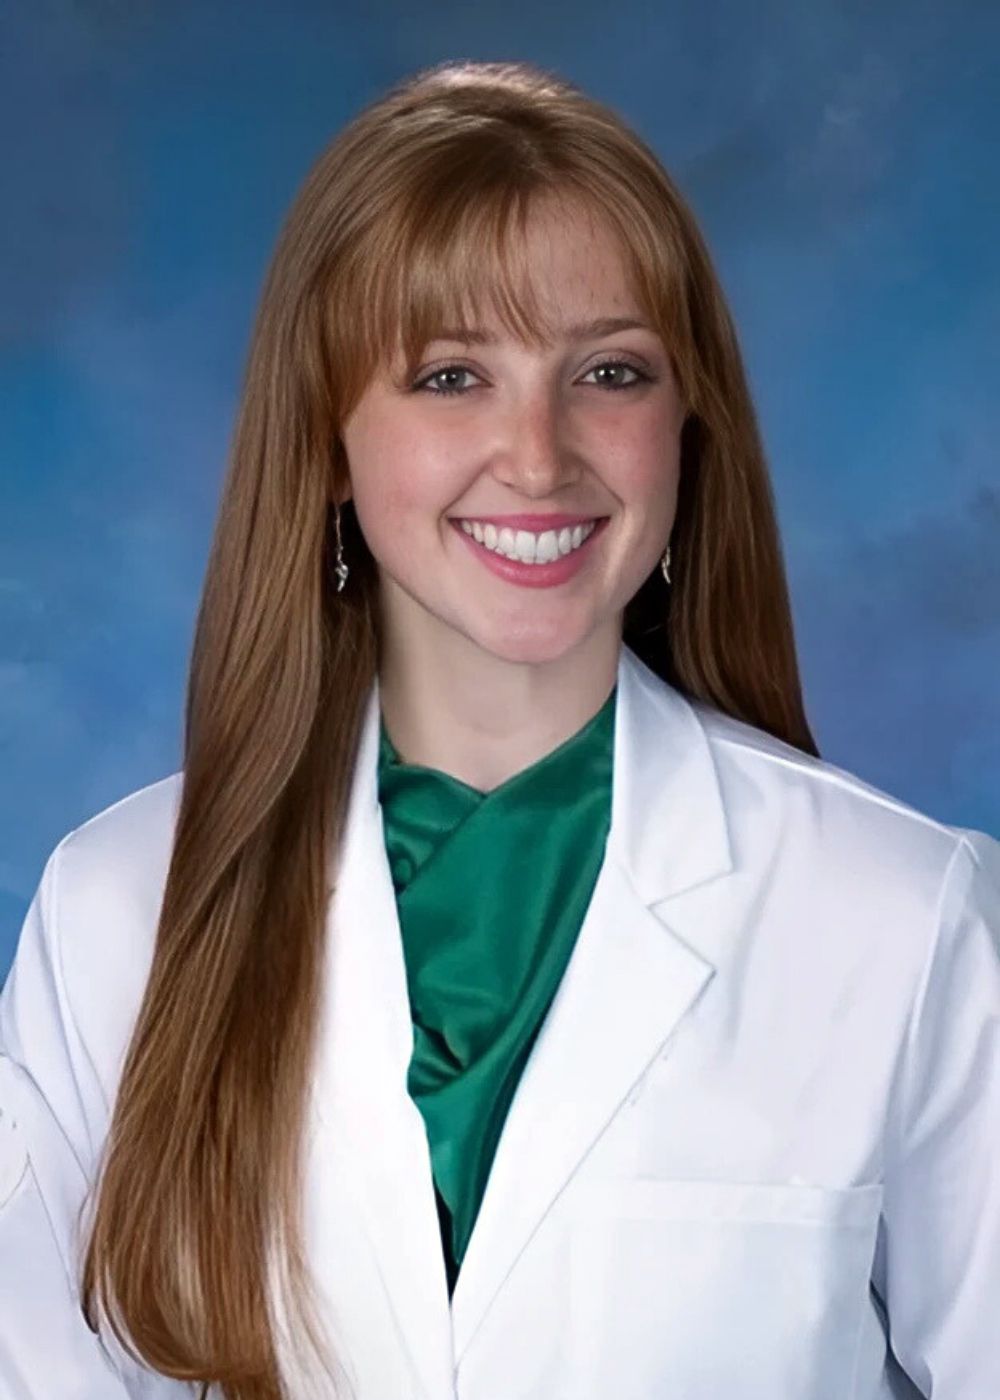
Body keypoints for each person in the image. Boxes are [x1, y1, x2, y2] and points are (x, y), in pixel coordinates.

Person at [0, 57, 997, 1400]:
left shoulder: (904, 921)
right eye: (452, 374)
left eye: (609, 371)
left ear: (688, 428)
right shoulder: (117, 910)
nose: (538, 456)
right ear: (326, 440)